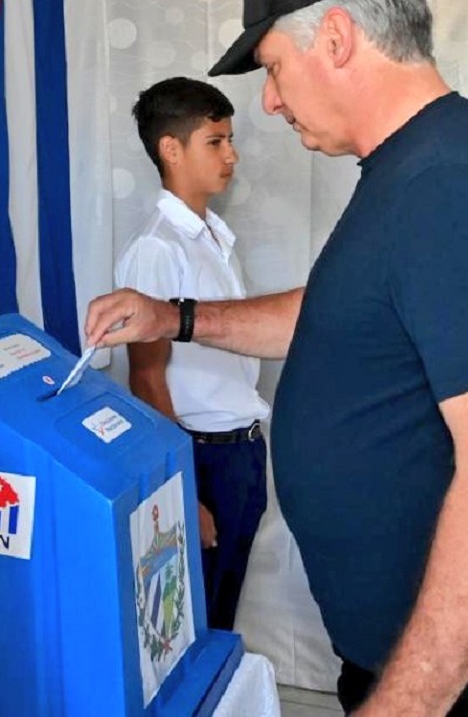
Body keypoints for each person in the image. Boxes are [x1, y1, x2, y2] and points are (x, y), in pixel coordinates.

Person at [87, 0, 468, 716]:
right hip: (399, 650)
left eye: (275, 68)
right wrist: (171, 315)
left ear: (338, 36)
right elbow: (329, 319)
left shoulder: (451, 187)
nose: (273, 100)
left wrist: (405, 704)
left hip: (465, 679)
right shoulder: (407, 171)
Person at [116, 76, 269, 632]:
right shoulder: (157, 250)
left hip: (241, 448)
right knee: (192, 620)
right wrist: (185, 490)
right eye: (215, 141)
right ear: (171, 149)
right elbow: (146, 376)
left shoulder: (212, 238)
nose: (231, 155)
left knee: (223, 611)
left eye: (230, 139)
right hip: (200, 455)